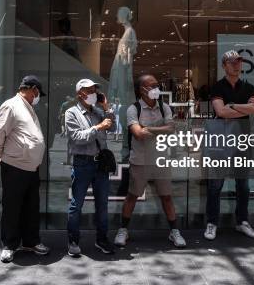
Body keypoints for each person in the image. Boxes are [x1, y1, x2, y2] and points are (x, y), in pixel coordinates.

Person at [114, 74, 187, 248]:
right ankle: (123, 230)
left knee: (167, 197)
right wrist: (157, 129)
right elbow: (138, 134)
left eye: (157, 85)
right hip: (140, 161)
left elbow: (171, 128)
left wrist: (149, 128)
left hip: (161, 160)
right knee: (132, 196)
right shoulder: (134, 109)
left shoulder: (164, 107)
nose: (157, 88)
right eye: (152, 85)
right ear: (142, 89)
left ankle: (174, 231)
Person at [204, 50, 254, 241]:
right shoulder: (218, 87)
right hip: (221, 142)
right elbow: (220, 112)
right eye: (231, 62)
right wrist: (242, 107)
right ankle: (212, 223)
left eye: (238, 62)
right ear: (224, 65)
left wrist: (233, 106)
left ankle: (242, 222)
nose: (236, 65)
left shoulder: (249, 87)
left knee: (243, 186)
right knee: (215, 185)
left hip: (242, 142)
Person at [0, 75, 49, 263]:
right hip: (15, 164)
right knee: (12, 207)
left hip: (31, 167)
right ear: (32, 89)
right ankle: (9, 244)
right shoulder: (11, 105)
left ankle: (31, 241)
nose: (38, 97)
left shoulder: (28, 107)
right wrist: (0, 154)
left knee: (31, 206)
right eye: (38, 93)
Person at [65, 80, 116, 257]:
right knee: (76, 205)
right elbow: (77, 137)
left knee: (102, 205)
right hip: (82, 163)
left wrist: (107, 108)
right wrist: (98, 127)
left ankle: (102, 239)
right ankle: (73, 241)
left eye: (95, 90)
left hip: (100, 164)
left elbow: (113, 127)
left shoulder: (99, 111)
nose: (94, 93)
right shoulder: (71, 113)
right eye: (90, 90)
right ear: (80, 94)